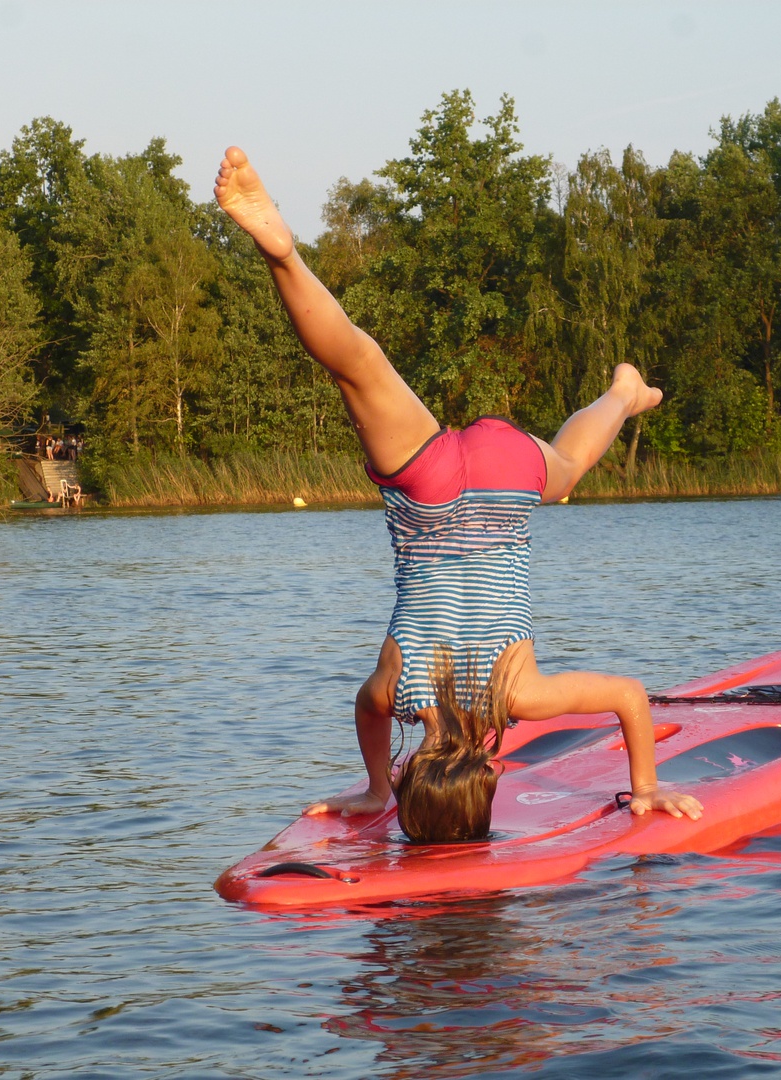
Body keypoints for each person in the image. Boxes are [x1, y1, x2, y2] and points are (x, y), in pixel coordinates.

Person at [213, 146, 702, 842]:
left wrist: (646, 788)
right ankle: (282, 254)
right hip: (430, 486)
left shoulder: (520, 697)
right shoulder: (401, 688)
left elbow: (628, 696)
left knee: (562, 469)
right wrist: (376, 785)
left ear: (490, 778)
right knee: (356, 361)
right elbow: (366, 707)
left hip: (505, 484)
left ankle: (623, 393)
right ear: (418, 773)